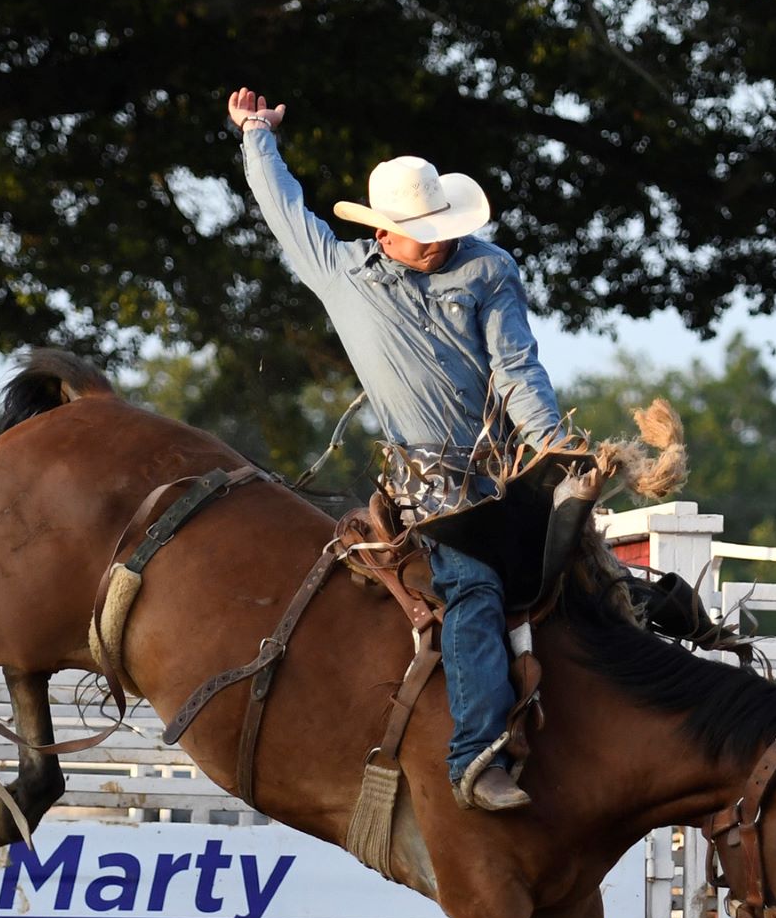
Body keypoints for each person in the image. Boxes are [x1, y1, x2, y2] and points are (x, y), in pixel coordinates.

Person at [226, 87, 564, 813]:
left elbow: (517, 368)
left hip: (504, 469)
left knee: (584, 573)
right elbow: (285, 209)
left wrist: (553, 446)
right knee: (473, 587)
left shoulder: (487, 270)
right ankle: (476, 756)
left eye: (442, 222)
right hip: (429, 485)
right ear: (382, 235)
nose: (438, 237)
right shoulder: (342, 271)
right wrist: (257, 134)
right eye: (421, 228)